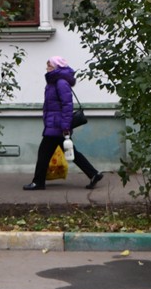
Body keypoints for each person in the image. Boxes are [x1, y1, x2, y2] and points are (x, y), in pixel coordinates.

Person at [23, 56, 103, 190]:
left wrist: (65, 126)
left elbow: (67, 106)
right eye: (47, 65)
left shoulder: (60, 83)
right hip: (56, 125)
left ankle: (38, 182)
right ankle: (94, 173)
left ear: (56, 67)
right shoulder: (54, 82)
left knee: (43, 154)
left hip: (57, 126)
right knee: (72, 152)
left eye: (49, 66)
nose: (47, 68)